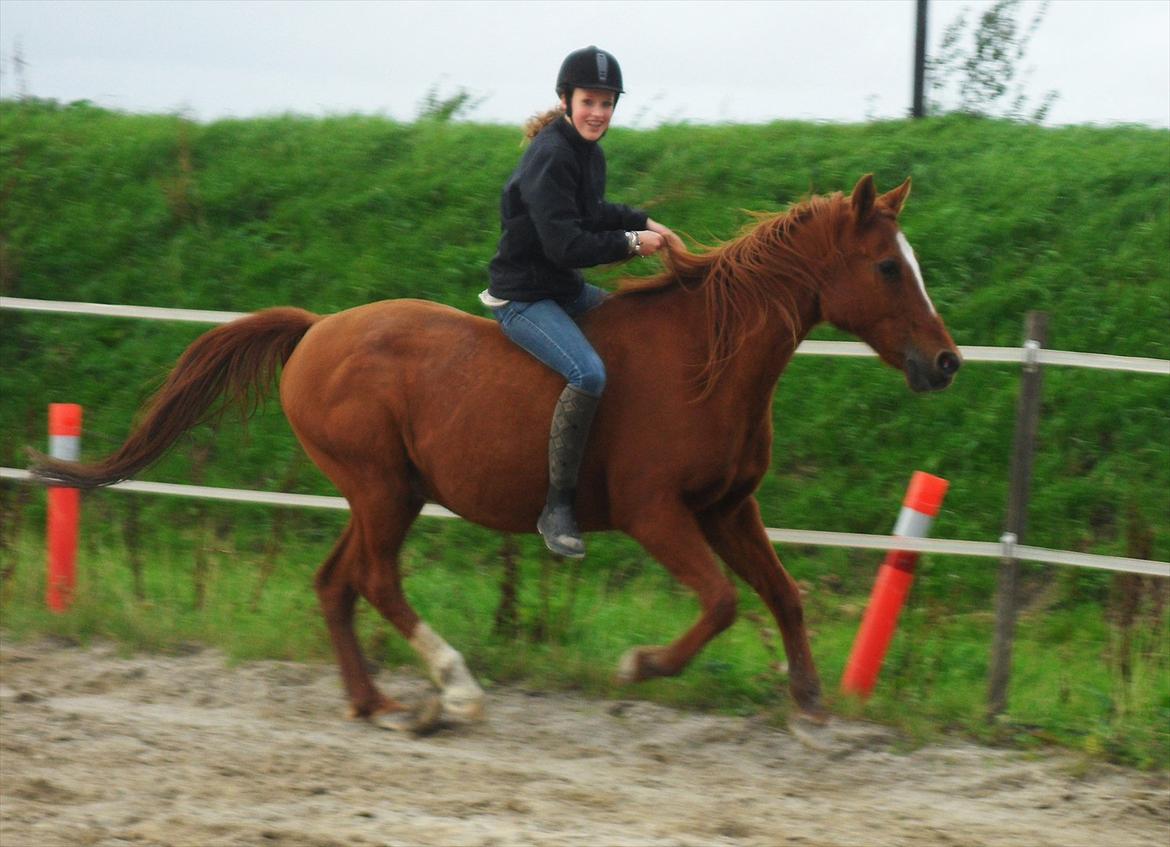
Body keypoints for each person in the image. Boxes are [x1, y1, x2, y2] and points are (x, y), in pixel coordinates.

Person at [481, 45, 682, 559]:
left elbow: (591, 212)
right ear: (566, 99)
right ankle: (558, 507)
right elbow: (565, 246)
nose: (598, 112)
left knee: (634, 328)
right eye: (589, 101)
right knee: (588, 374)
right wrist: (634, 243)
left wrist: (645, 221)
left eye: (606, 103)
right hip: (524, 297)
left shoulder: (586, 151)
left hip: (562, 290)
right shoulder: (551, 155)